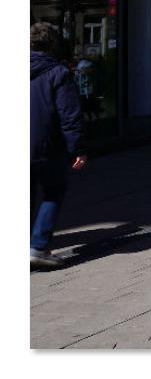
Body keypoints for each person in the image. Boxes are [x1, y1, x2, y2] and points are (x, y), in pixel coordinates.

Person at [30, 22, 86, 269]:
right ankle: (38, 247)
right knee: (54, 189)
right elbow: (69, 114)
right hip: (45, 145)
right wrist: (77, 148)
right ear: (52, 44)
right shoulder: (58, 72)